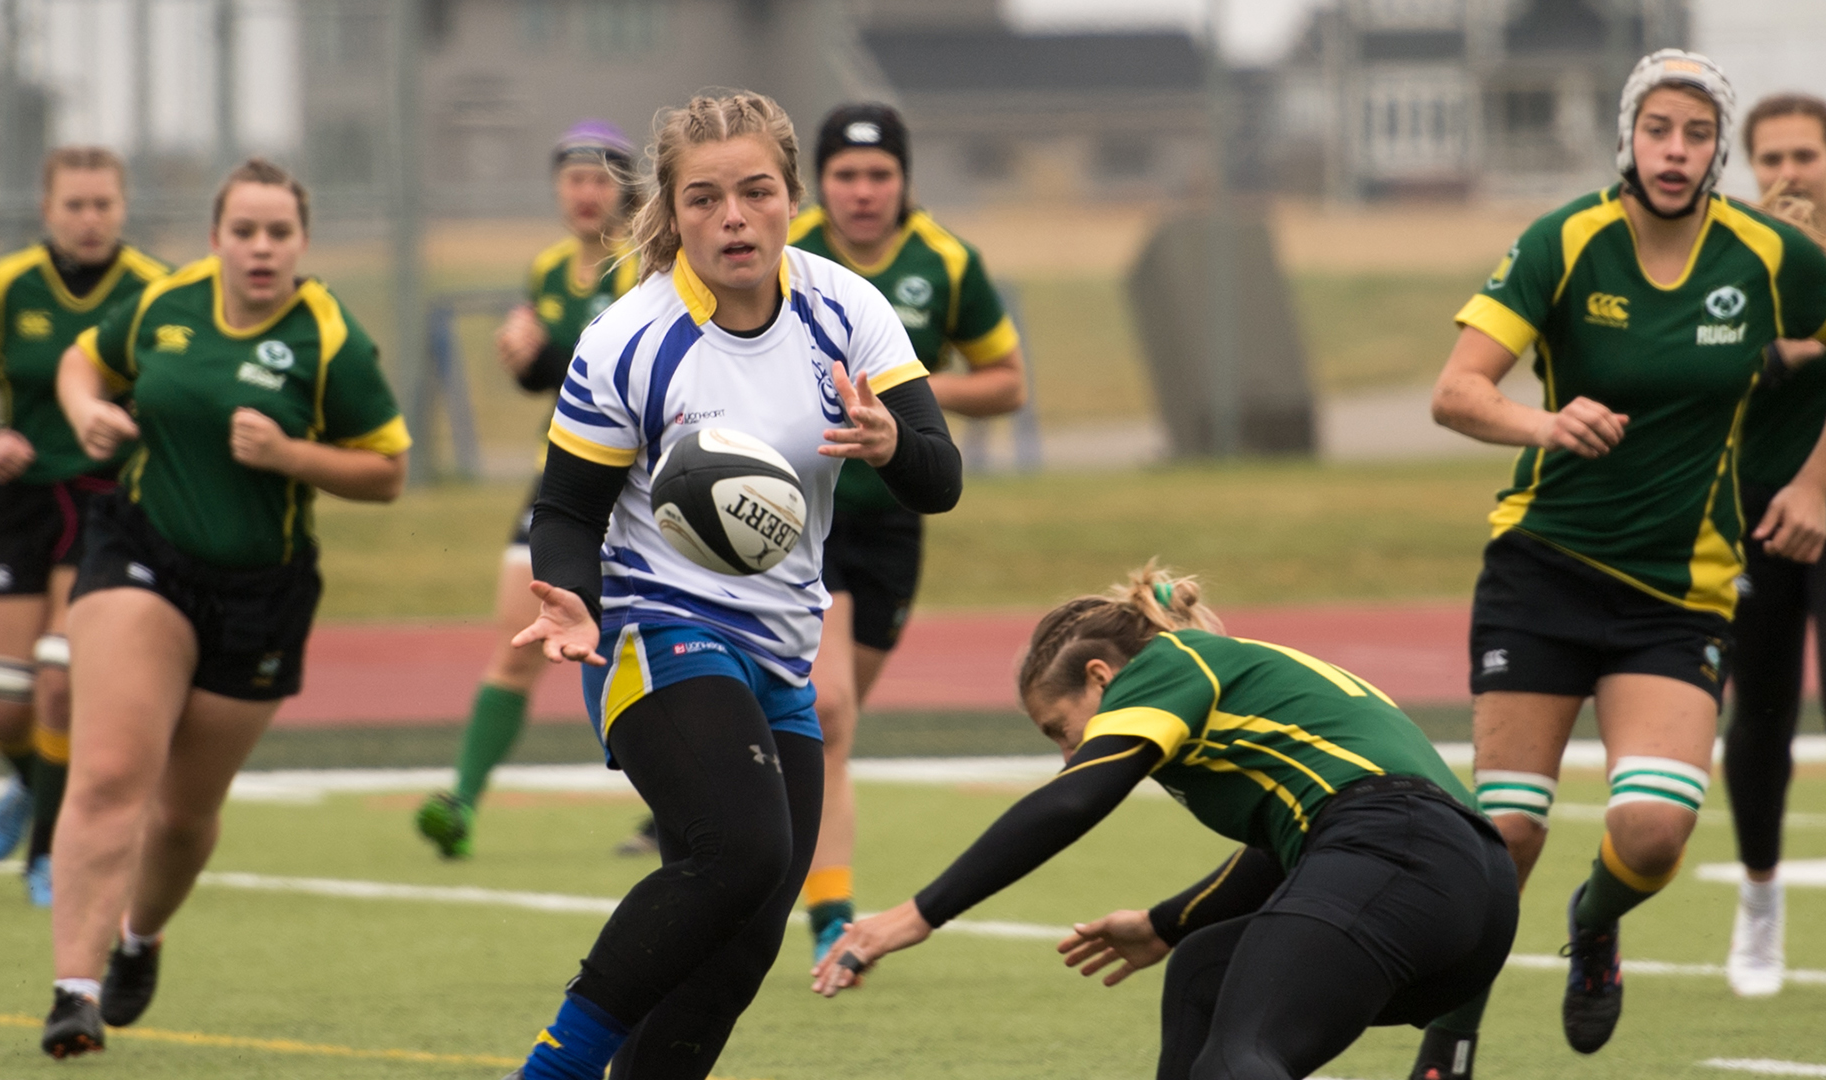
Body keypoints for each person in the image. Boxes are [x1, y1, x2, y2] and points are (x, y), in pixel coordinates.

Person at [502, 90, 961, 1080]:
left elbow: (942, 474)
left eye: (756, 192)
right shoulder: (631, 336)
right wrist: (567, 592)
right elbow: (568, 511)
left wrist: (891, 440)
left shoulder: (847, 309)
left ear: (793, 198)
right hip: (647, 625)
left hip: (780, 648)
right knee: (740, 850)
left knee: (746, 934)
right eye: (704, 199)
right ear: (673, 210)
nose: (735, 218)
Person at [1415, 50, 1826, 1078]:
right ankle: (1450, 1034)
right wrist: (1545, 422)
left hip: (1678, 593)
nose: (1676, 152)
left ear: (1717, 148)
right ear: (1627, 139)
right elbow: (1458, 390)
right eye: (1658, 131)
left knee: (1648, 835)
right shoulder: (1567, 241)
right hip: (1542, 570)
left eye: (1695, 134)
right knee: (1503, 835)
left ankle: (1594, 925)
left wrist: (1813, 485)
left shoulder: (1772, 256)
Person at [811, 564, 1519, 1080]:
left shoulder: (1162, 664)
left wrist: (918, 914)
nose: (1069, 754)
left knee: (1237, 1066)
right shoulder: (1226, 687)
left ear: (1099, 676)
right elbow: (1287, 849)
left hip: (1403, 853)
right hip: (1469, 892)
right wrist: (1165, 923)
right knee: (1203, 975)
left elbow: (1073, 801)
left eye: (1061, 730)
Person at [38, 158, 411, 1058]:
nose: (260, 248)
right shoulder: (169, 304)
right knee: (113, 770)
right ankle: (74, 992)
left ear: (301, 243)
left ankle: (140, 937)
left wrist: (293, 456)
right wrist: (87, 408)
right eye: (243, 231)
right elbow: (82, 362)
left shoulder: (329, 338)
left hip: (262, 591)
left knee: (182, 812)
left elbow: (386, 469)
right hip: (143, 554)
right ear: (216, 237)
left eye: (278, 233)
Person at [783, 102, 1027, 960]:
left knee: (820, 725)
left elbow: (1006, 380)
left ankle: (747, 788)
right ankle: (827, 919)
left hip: (896, 524)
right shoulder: (786, 251)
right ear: (821, 184)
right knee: (828, 708)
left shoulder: (947, 262)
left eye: (879, 175)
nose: (862, 192)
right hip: (797, 517)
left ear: (904, 181)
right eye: (846, 176)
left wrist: (909, 393)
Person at [0, 146, 166, 907]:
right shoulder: (7, 284)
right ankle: (33, 786)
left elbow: (176, 386)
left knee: (60, 682)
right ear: (47, 209)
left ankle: (47, 855)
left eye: (104, 204)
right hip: (20, 502)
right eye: (75, 205)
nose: (90, 220)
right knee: (3, 703)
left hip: (104, 503)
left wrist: (125, 420)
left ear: (123, 208)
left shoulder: (155, 290)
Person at [416, 120, 641, 859]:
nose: (587, 192)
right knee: (518, 632)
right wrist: (523, 361)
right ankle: (463, 799)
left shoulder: (644, 265)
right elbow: (552, 375)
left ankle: (682, 802)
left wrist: (550, 353)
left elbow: (631, 368)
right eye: (574, 178)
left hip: (639, 481)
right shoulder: (548, 269)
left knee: (652, 639)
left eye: (602, 177)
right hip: (567, 472)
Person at [1721, 91, 1826, 997]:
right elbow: (1702, 373)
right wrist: (1781, 351)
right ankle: (1759, 900)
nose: (1788, 174)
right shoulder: (1733, 264)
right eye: (1772, 158)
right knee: (1757, 718)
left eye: (1806, 155)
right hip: (1752, 512)